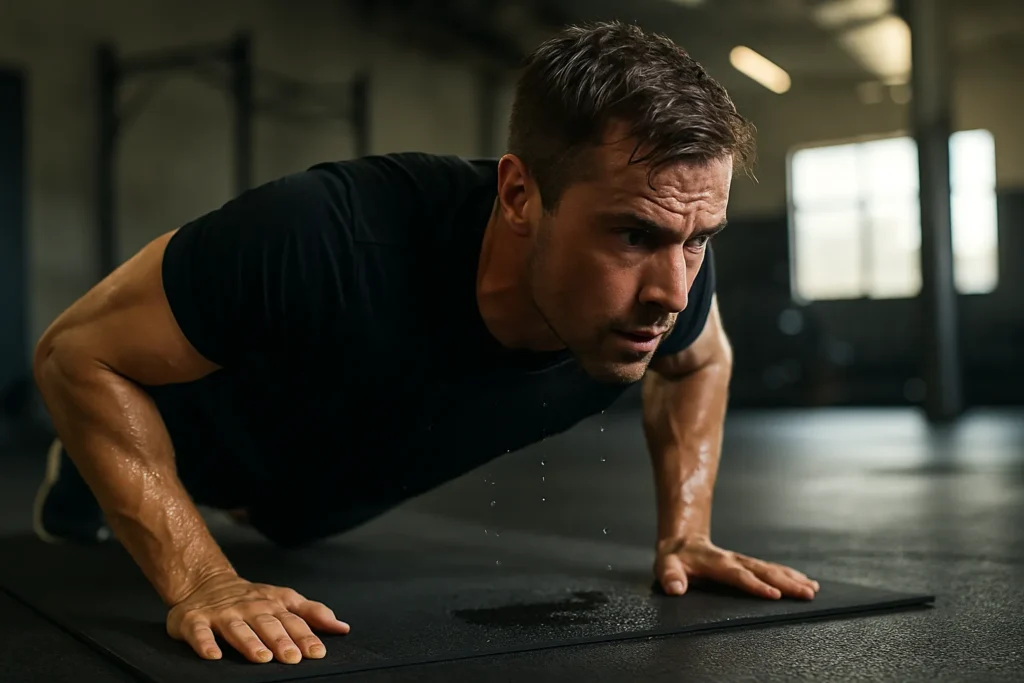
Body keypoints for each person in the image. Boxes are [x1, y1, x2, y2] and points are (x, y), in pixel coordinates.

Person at [31, 20, 819, 667]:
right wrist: (202, 578)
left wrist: (687, 529)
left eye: (697, 241)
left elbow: (701, 360)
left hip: (326, 498)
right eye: (632, 233)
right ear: (518, 193)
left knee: (305, 519)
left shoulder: (671, 276)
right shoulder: (322, 232)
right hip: (202, 441)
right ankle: (81, 476)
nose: (673, 291)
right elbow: (75, 351)